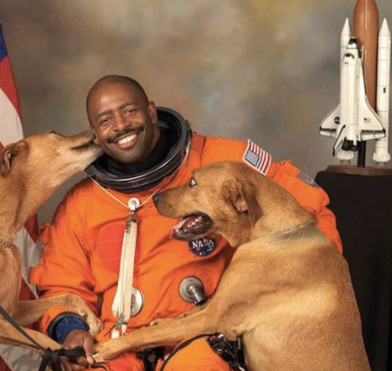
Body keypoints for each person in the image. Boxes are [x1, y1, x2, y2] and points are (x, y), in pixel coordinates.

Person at [29, 75, 343, 371]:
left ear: (151, 112)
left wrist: (301, 292)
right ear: (95, 134)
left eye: (129, 111)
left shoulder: (223, 163)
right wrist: (69, 329)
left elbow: (308, 211)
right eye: (106, 120)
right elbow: (60, 284)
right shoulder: (81, 203)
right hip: (117, 342)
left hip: (202, 336)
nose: (121, 125)